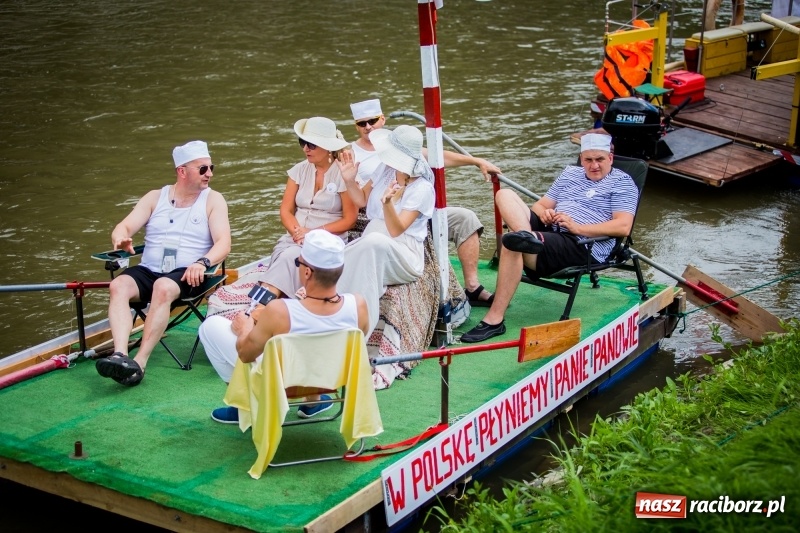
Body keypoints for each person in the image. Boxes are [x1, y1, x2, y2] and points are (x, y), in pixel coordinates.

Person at [460, 133, 639, 343]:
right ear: (581, 159)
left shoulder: (622, 183)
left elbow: (623, 226)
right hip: (552, 229)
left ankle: (495, 319)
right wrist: (545, 213)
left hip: (581, 244)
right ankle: (526, 237)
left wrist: (578, 227)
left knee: (511, 244)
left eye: (599, 159)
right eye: (588, 160)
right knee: (504, 195)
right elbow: (541, 205)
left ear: (610, 158)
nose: (594, 165)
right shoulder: (571, 173)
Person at [96, 140, 231, 386]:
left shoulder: (214, 200)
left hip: (190, 273)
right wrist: (121, 237)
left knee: (163, 288)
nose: (209, 174)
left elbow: (223, 243)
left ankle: (140, 363)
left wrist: (202, 262)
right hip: (149, 269)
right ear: (182, 171)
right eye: (203, 169)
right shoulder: (154, 197)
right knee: (118, 286)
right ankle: (120, 355)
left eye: (211, 168)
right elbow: (124, 226)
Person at [347, 98, 501, 307]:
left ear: (382, 120)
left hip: (399, 224)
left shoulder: (405, 145)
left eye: (371, 121)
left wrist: (476, 161)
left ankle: (472, 286)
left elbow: (440, 157)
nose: (367, 127)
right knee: (350, 254)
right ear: (355, 126)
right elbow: (360, 198)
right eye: (361, 123)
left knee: (466, 218)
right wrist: (348, 179)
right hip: (377, 219)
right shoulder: (353, 154)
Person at [206, 229, 369, 424]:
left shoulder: (279, 311)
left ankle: (244, 405)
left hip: (286, 383)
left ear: (307, 272)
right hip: (332, 379)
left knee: (210, 328)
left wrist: (245, 327)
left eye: (298, 263)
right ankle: (313, 402)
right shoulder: (358, 305)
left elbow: (245, 354)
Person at [204, 116, 356, 319]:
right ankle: (264, 304)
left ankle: (259, 306)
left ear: (327, 146)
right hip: (294, 237)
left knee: (288, 257)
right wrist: (297, 232)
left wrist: (311, 234)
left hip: (327, 240)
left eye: (311, 144)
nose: (305, 149)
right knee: (289, 254)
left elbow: (349, 220)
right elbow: (285, 210)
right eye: (302, 143)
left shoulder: (343, 173)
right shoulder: (298, 171)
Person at [336, 125, 436, 334]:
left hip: (404, 253)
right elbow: (361, 199)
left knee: (373, 244)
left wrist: (387, 204)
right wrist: (348, 180)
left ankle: (355, 330)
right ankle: (333, 312)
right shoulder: (386, 168)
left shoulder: (423, 189)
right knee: (369, 249)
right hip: (373, 239)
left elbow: (396, 230)